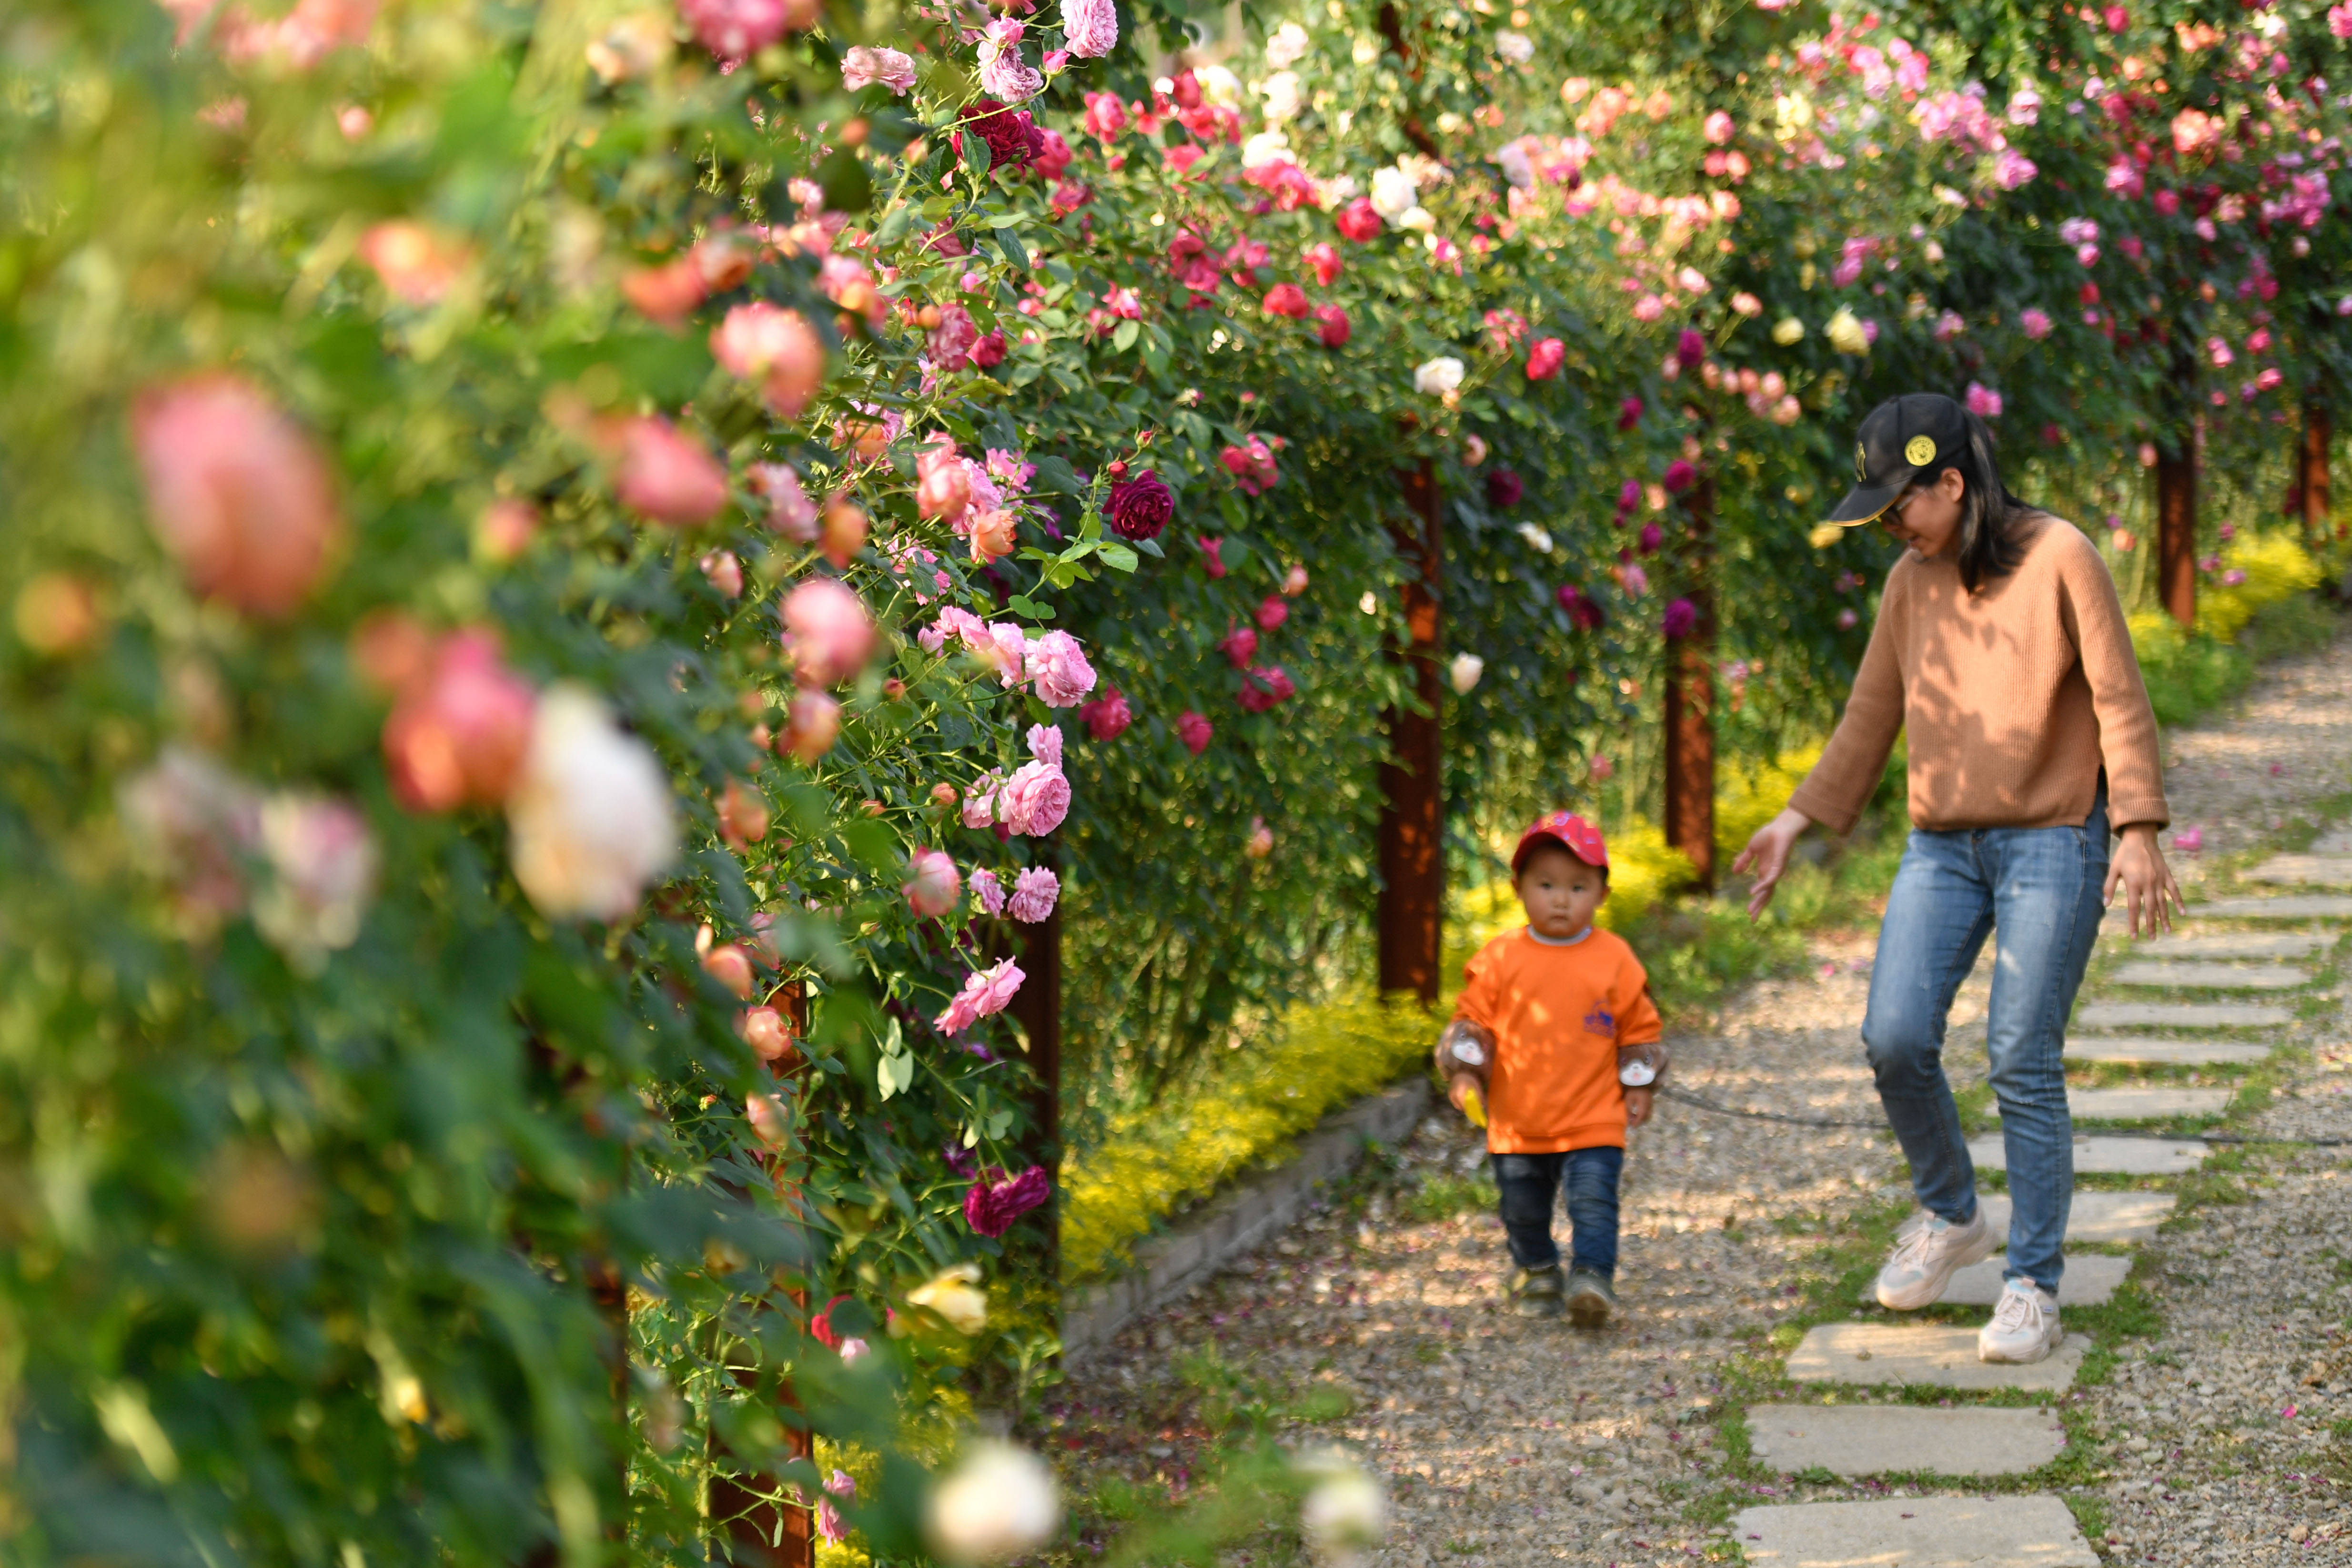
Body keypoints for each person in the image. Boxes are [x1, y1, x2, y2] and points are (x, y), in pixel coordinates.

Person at [1733, 393, 2181, 1366]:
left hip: (2051, 840)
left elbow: (2117, 694)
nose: (1890, 525)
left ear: (1951, 481)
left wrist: (2136, 826)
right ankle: (1950, 1213)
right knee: (1891, 1037)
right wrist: (1794, 818)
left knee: (2018, 1053)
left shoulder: (2060, 556)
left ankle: (2031, 1282)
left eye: (1901, 504)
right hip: (1940, 847)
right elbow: (1867, 713)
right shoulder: (1909, 583)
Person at [1437, 811, 1666, 1325]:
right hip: (1518, 1121)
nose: (1560, 900)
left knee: (1593, 1200)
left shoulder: (1614, 958)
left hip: (1593, 1115)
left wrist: (1640, 1083)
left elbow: (1638, 1029)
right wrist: (1464, 1071)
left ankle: (1591, 1278)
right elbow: (1471, 1023)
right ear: (1518, 888)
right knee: (1521, 1207)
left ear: (1601, 895)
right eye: (1546, 885)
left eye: (1577, 887)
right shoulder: (1499, 960)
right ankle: (1537, 1269)